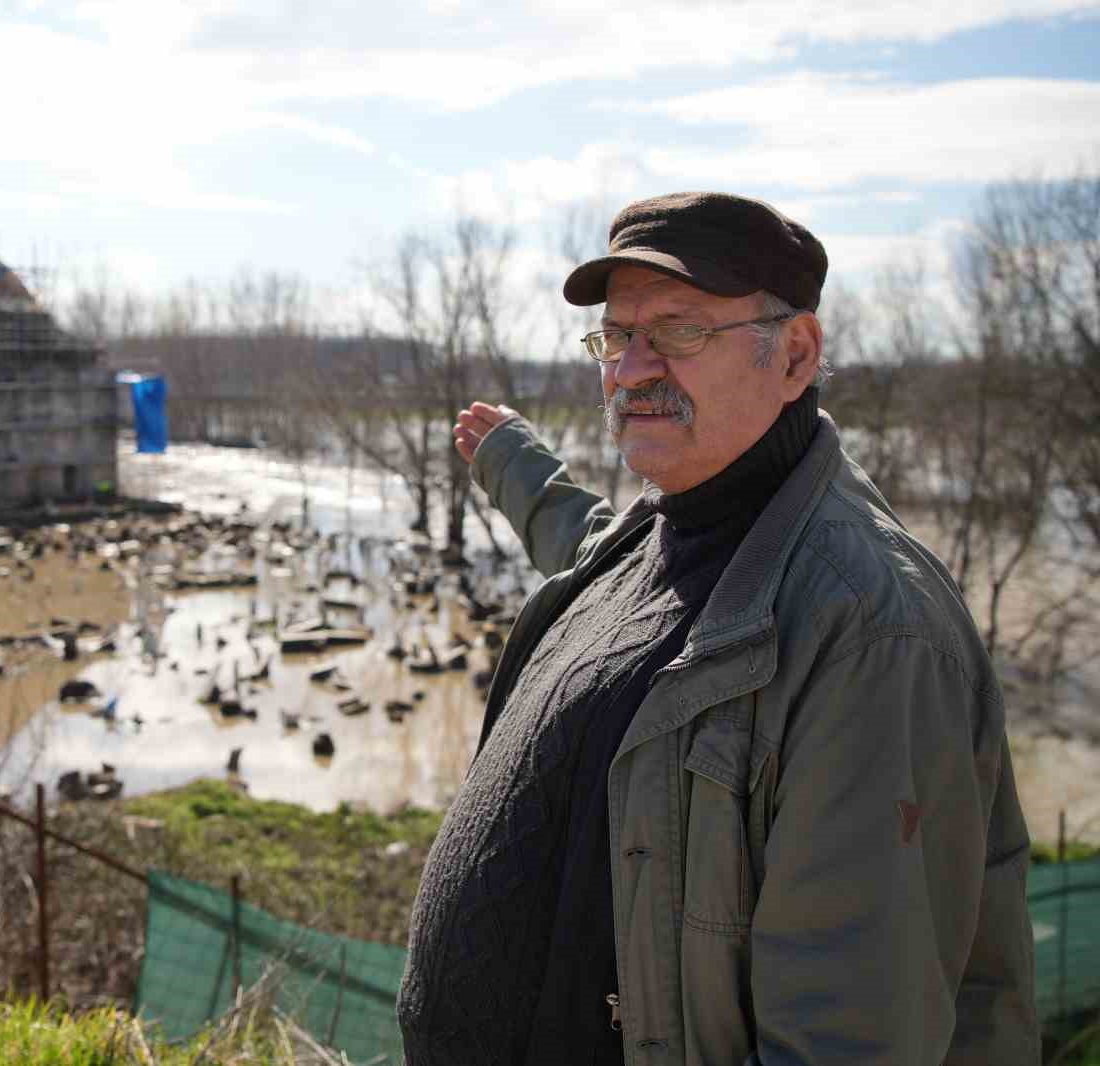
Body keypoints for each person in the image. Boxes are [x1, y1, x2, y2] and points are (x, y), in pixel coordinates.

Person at [397, 192, 1038, 1065]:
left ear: (796, 354)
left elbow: (842, 1045)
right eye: (617, 337)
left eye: (679, 332)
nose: (630, 370)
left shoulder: (872, 635)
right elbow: (587, 549)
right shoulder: (675, 525)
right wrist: (512, 463)